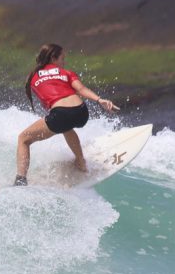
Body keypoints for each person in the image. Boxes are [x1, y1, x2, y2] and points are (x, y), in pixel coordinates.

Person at [14, 43, 120, 186]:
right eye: (62, 58)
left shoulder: (33, 76)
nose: (64, 62)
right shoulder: (66, 73)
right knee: (66, 126)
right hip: (81, 112)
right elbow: (81, 89)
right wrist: (100, 100)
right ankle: (81, 162)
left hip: (61, 114)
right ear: (53, 58)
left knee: (23, 139)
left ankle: (20, 181)